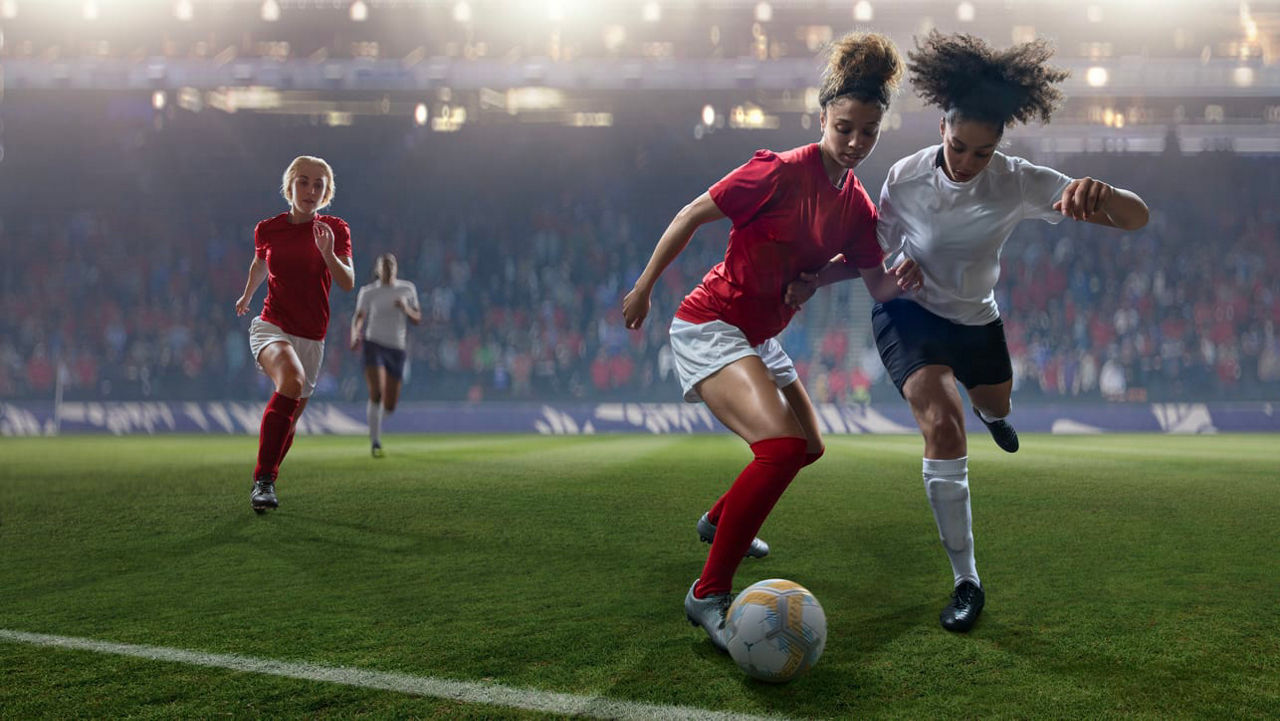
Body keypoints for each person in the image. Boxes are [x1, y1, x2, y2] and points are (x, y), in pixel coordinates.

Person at [789, 31, 1150, 633]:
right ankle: (966, 580)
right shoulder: (903, 179)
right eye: (959, 146)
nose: (967, 162)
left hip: (975, 317)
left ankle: (992, 411)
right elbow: (869, 258)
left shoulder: (1017, 180)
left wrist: (1104, 194)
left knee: (993, 403)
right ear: (942, 129)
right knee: (941, 417)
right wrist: (814, 281)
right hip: (910, 313)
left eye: (982, 153)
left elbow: (1136, 219)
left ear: (998, 149)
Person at [622, 32, 921, 653]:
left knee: (809, 446)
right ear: (822, 119)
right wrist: (646, 285)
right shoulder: (777, 172)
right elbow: (690, 214)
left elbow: (877, 285)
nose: (856, 142)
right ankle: (707, 594)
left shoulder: (860, 209)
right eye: (845, 128)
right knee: (780, 447)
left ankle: (716, 520)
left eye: (869, 132)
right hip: (712, 324)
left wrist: (903, 271)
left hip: (761, 336)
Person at [235, 155, 355, 513]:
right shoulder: (268, 229)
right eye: (303, 181)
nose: (310, 189)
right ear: (289, 185)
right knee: (291, 380)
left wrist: (328, 253)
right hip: (273, 325)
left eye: (319, 185)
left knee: (289, 423)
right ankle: (264, 481)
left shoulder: (334, 229)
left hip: (312, 338)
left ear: (327, 193)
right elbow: (261, 263)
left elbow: (347, 283)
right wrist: (247, 295)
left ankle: (267, 480)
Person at [350, 253, 421, 457]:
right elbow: (360, 316)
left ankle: (376, 420)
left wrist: (405, 307)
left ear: (396, 268)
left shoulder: (407, 289)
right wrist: (355, 334)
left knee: (389, 405)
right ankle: (375, 441)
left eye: (392, 265)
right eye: (385, 266)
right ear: (378, 270)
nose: (389, 269)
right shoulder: (369, 292)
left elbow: (417, 318)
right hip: (374, 344)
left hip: (397, 348)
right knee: (377, 392)